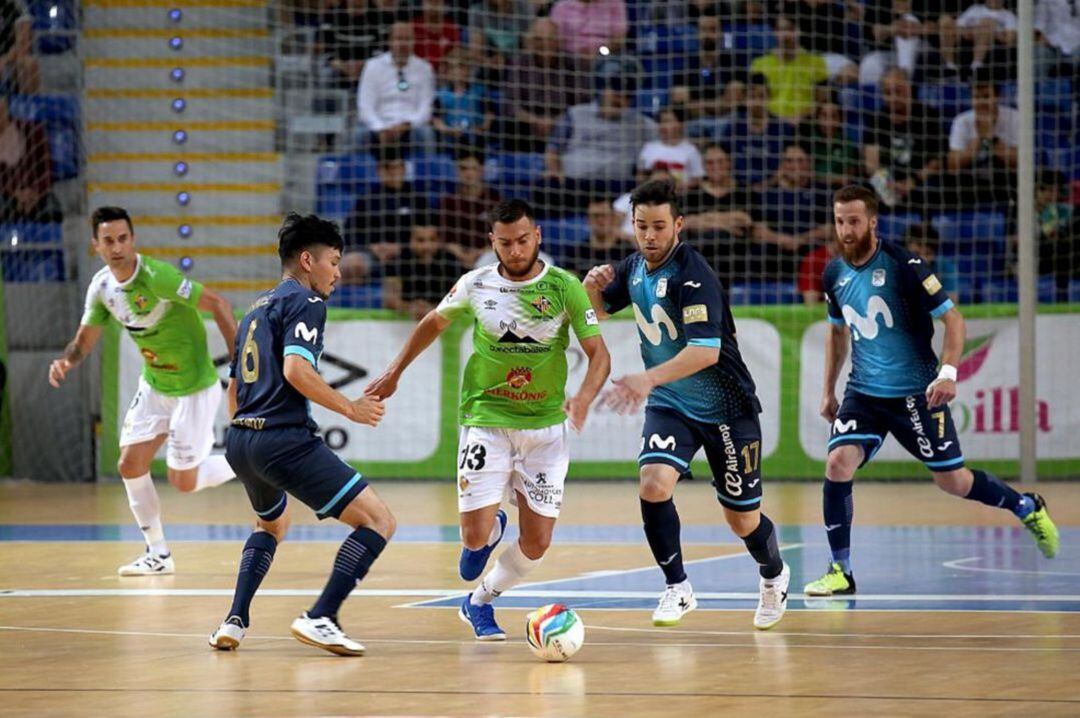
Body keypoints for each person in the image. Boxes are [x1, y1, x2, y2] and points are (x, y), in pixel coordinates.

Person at [365, 199, 611, 640]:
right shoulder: (475, 283)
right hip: (486, 419)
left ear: (537, 236)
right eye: (505, 243)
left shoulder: (563, 286)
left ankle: (479, 601)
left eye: (522, 241)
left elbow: (599, 354)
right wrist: (394, 372)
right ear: (491, 243)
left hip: (545, 430)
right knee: (474, 539)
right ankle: (491, 525)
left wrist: (585, 398)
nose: (515, 251)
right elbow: (432, 322)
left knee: (536, 544)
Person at [804, 185, 1059, 597]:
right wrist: (828, 391)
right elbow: (837, 333)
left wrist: (948, 373)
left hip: (915, 395)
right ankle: (841, 570)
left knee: (953, 482)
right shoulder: (834, 273)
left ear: (872, 221)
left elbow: (954, 320)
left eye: (853, 221)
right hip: (863, 393)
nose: (846, 230)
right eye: (839, 221)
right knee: (837, 463)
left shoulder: (906, 264)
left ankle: (1025, 506)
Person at [581, 180, 790, 631]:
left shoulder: (693, 275)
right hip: (672, 402)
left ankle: (774, 574)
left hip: (726, 407)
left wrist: (646, 378)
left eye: (659, 226)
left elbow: (705, 352)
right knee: (653, 483)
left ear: (679, 224)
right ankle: (677, 587)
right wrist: (591, 286)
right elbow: (595, 313)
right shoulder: (633, 267)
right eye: (641, 227)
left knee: (741, 518)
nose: (650, 236)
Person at [209, 213, 394, 656]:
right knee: (379, 521)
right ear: (307, 260)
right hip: (282, 440)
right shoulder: (307, 303)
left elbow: (234, 386)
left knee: (271, 523)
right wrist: (350, 407)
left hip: (240, 439)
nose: (338, 272)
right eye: (333, 261)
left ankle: (234, 619)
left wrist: (248, 430)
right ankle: (321, 616)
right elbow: (296, 369)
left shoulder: (255, 309)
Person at [48, 207, 238, 575]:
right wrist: (67, 361)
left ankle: (254, 462)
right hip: (155, 385)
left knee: (183, 481)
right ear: (96, 245)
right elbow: (84, 340)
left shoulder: (158, 277)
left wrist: (238, 366)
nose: (117, 247)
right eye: (108, 240)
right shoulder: (102, 288)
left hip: (193, 389)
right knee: (130, 463)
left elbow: (219, 304)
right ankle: (158, 554)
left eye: (123, 238)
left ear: (132, 240)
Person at [356, 22, 437, 156]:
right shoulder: (372, 66)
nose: (403, 44)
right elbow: (365, 106)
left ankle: (425, 176)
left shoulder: (424, 69)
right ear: (390, 41)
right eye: (399, 38)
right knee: (358, 135)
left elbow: (425, 108)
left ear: (413, 41)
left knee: (426, 134)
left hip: (410, 126)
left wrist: (407, 125)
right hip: (380, 124)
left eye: (407, 39)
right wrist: (381, 128)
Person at [382, 218, 466, 320]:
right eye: (420, 240)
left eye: (432, 240)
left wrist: (433, 309)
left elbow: (463, 298)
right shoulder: (397, 262)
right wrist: (411, 308)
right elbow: (389, 300)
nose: (427, 246)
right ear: (411, 241)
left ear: (439, 241)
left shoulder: (450, 261)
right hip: (405, 323)